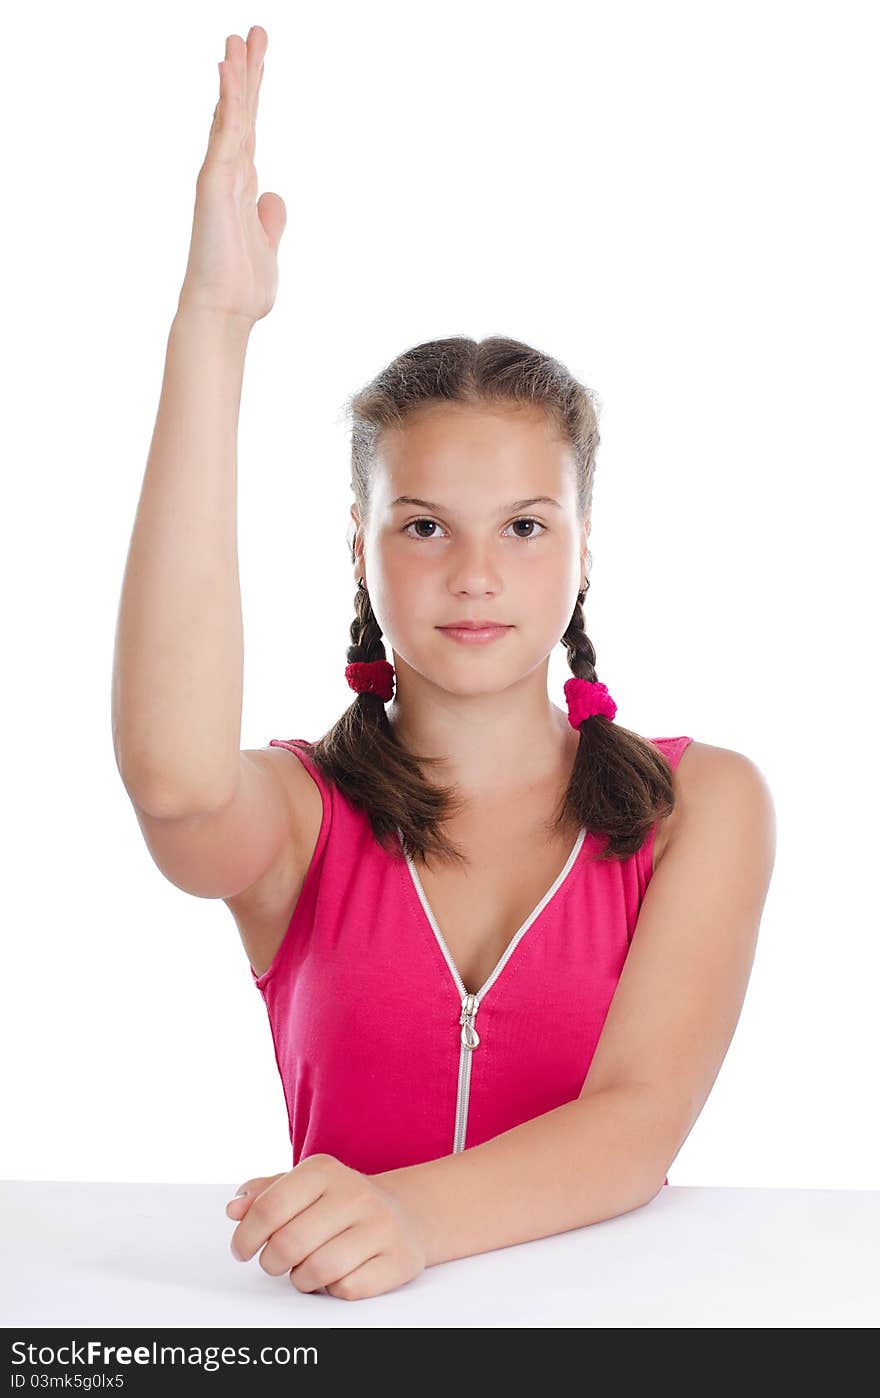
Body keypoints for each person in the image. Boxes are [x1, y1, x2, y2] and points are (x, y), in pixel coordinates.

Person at [111, 26, 776, 1302]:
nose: (475, 574)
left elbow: (635, 1124)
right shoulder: (298, 817)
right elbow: (179, 789)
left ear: (583, 553)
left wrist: (405, 1220)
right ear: (361, 551)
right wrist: (215, 325)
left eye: (525, 527)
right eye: (423, 527)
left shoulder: (708, 806)